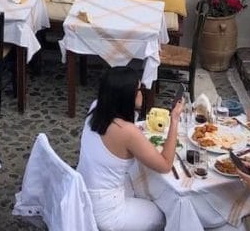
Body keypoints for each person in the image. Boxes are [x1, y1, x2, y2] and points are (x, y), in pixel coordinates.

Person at [77, 66, 182, 231]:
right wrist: (174, 120)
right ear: (127, 95)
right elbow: (165, 164)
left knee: (143, 185)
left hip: (84, 194)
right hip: (107, 213)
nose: (142, 93)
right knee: (164, 215)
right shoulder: (126, 131)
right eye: (139, 89)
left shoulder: (96, 107)